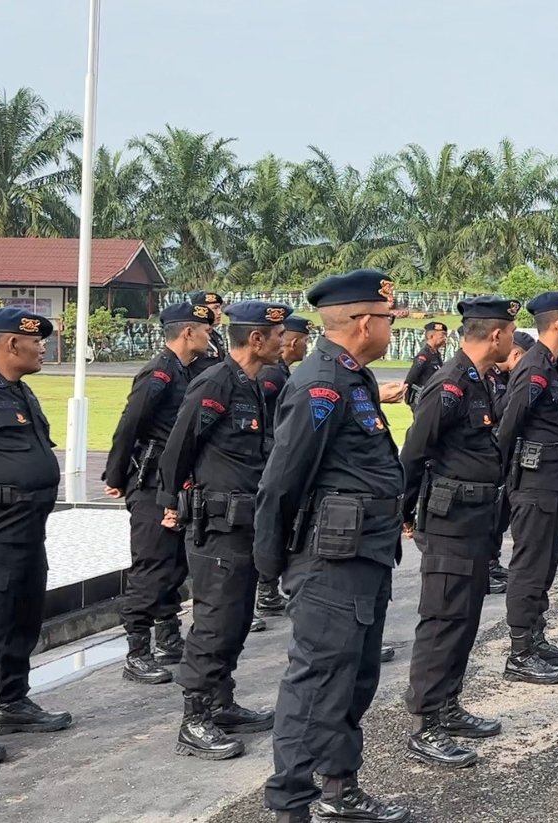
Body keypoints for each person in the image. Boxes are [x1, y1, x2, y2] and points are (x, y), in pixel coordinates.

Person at [255, 269, 409, 823]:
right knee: (317, 683)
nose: (392, 328)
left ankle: (340, 789)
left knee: (353, 679)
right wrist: (271, 564)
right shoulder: (321, 384)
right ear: (364, 322)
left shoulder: (353, 377)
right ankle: (291, 805)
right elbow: (281, 482)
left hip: (364, 554)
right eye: (389, 319)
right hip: (330, 562)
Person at [157, 301, 291, 760]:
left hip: (244, 522)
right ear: (256, 339)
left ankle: (221, 702)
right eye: (277, 335)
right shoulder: (216, 382)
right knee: (215, 622)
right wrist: (170, 503)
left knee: (234, 620)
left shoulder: (248, 383)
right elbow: (179, 446)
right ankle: (194, 718)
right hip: (217, 524)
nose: (283, 342)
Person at [399, 296, 517, 769]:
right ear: (496, 335)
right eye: (511, 332)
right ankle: (426, 722)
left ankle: (447, 705)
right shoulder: (449, 384)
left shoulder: (477, 379)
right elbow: (414, 451)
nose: (513, 339)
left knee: (465, 617)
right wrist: (404, 513)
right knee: (443, 618)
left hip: (474, 519)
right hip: (449, 521)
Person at [0, 309, 72, 767]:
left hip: (28, 529)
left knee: (23, 619)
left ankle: (11, 701)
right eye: (36, 341)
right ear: (11, 344)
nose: (43, 348)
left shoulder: (19, 391)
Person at [106, 299, 215, 686]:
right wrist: (116, 474)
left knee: (173, 564)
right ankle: (136, 652)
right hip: (151, 481)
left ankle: (168, 639)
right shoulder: (160, 373)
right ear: (188, 332)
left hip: (175, 482)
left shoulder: (186, 371)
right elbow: (130, 425)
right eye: (205, 331)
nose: (210, 337)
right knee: (151, 565)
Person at [495, 292, 558, 686]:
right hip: (532, 482)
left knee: (545, 563)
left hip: (550, 479)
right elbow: (509, 424)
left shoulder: (551, 364)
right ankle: (519, 653)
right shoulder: (534, 368)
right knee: (529, 565)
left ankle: (535, 637)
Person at [254, 313, 314, 623]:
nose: (306, 347)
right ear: (294, 342)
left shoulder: (281, 371)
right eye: (304, 341)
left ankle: (267, 591)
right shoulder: (272, 375)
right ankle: (264, 591)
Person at [486, 331, 534, 595]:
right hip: (491, 452)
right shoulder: (491, 375)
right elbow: (498, 411)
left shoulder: (505, 377)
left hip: (506, 454)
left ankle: (492, 563)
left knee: (500, 514)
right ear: (517, 355)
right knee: (490, 516)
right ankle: (484, 569)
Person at [403, 320, 449, 407]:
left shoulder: (436, 354)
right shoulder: (424, 356)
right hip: (422, 398)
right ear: (431, 336)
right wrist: (408, 397)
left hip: (432, 397)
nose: (445, 338)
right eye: (442, 335)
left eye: (445, 335)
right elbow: (411, 377)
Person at [189, 291, 228, 379]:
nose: (220, 312)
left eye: (219, 308)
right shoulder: (192, 337)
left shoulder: (216, 335)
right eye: (215, 308)